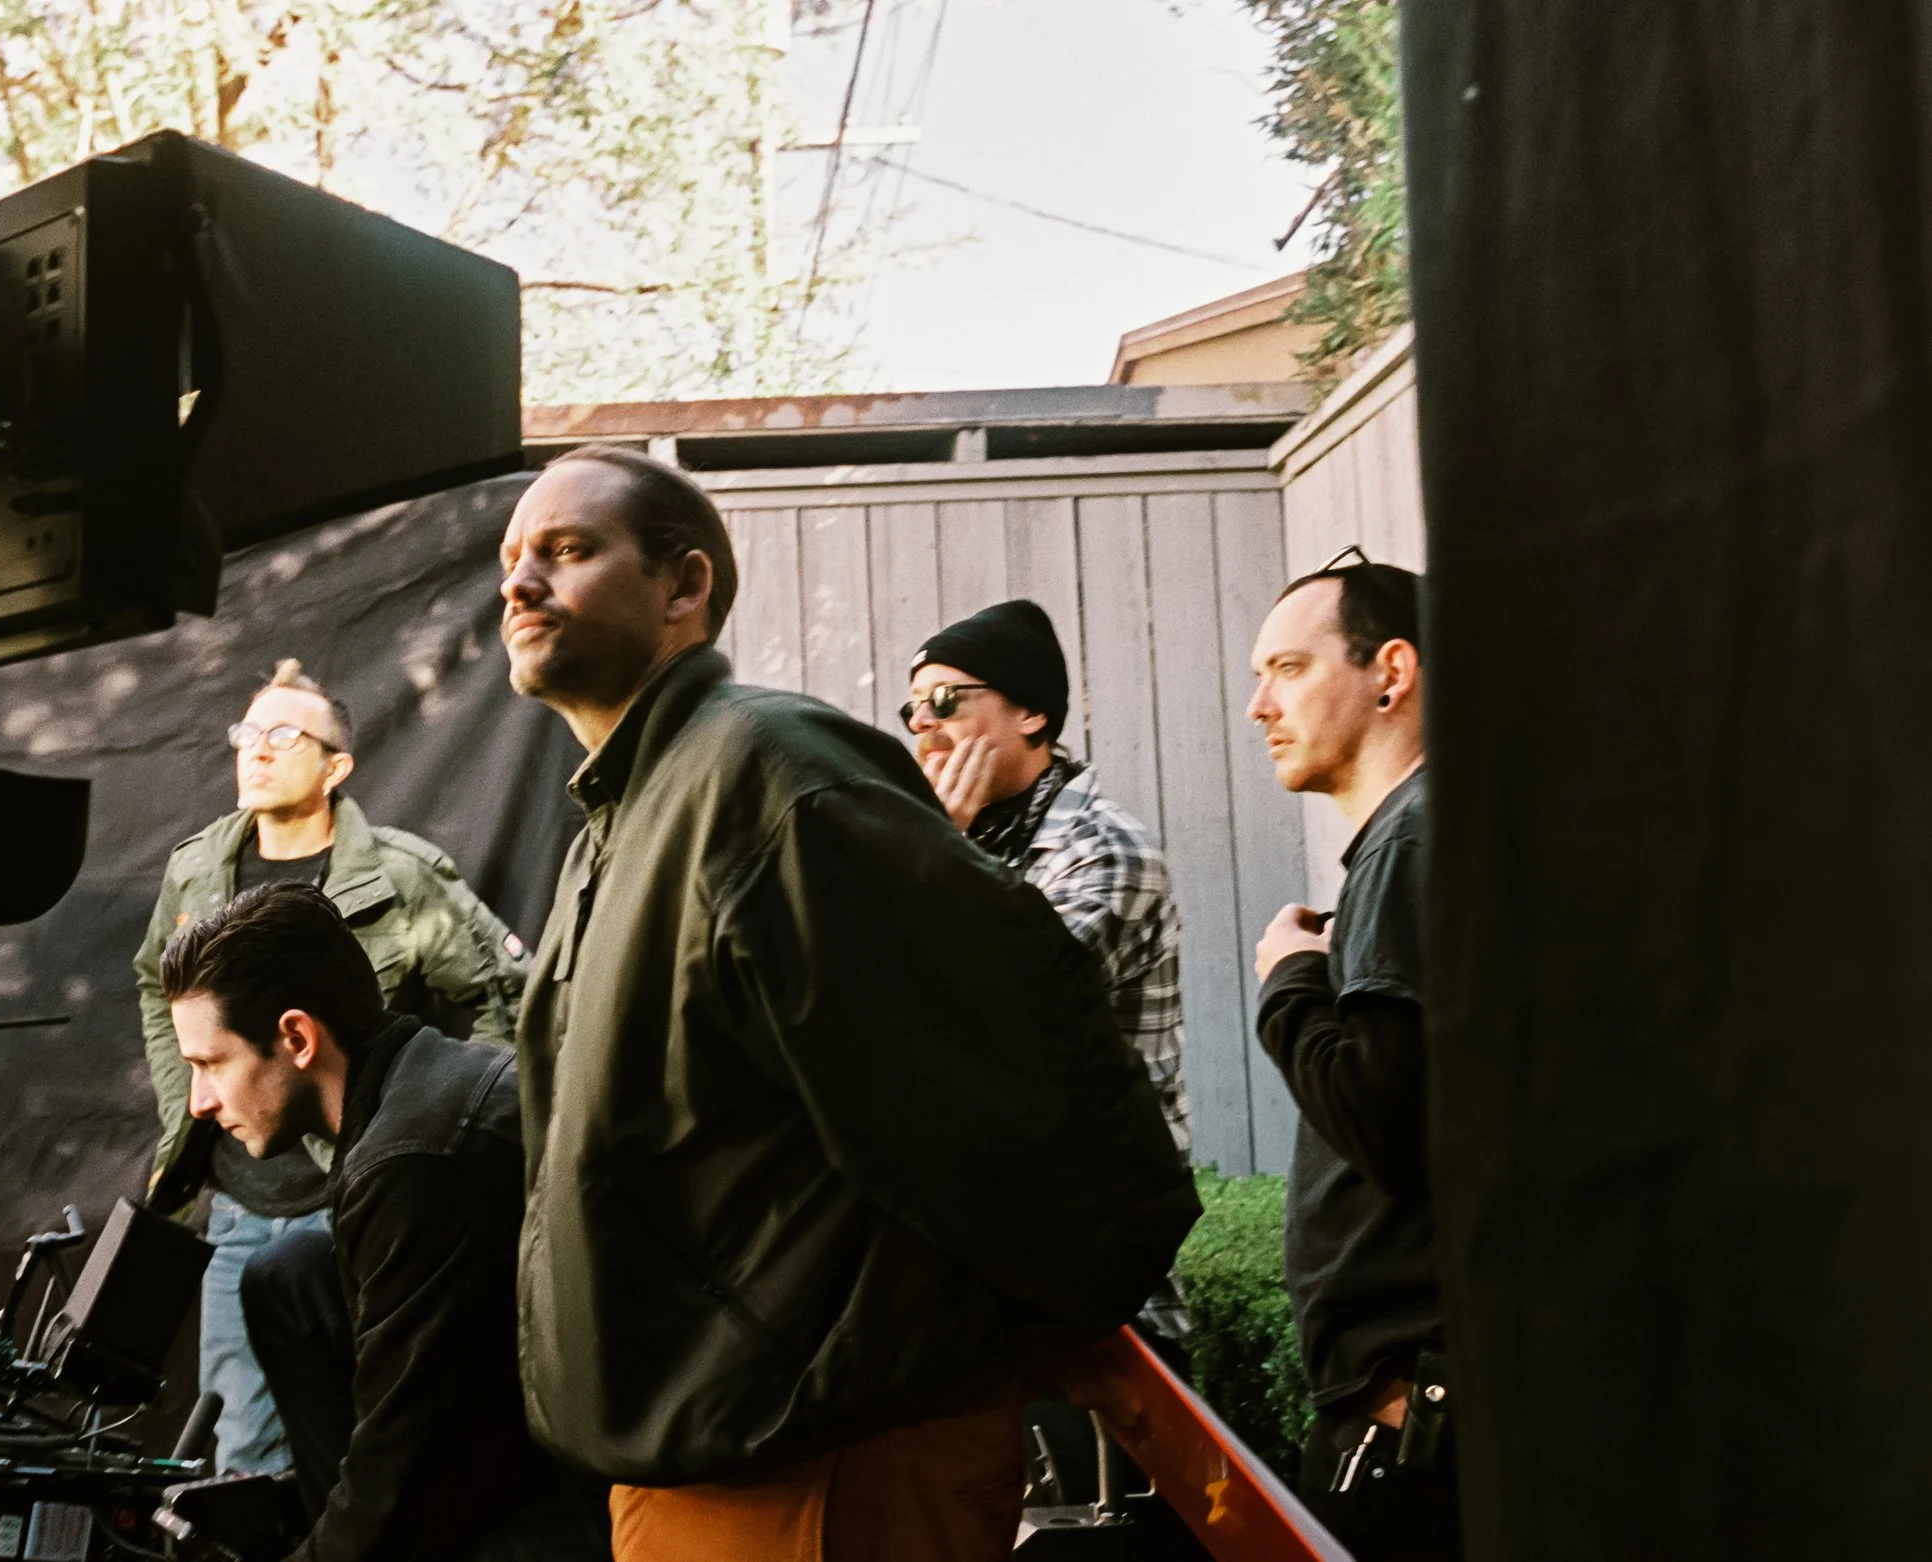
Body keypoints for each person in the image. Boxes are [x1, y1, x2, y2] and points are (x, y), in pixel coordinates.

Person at [501, 444, 1198, 1562]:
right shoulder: (623, 818)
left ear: (685, 587)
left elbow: (1016, 1099)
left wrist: (1000, 1339)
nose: (519, 584)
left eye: (568, 550)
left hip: (824, 1460)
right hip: (694, 1457)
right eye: (511, 561)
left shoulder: (770, 773)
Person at [133, 659, 528, 1475]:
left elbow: (507, 996)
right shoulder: (197, 870)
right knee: (242, 1450)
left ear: (335, 766)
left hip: (356, 1201)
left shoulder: (402, 874)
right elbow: (155, 983)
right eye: (247, 732)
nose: (258, 750)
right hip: (239, 1205)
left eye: (284, 734)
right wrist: (191, 1102)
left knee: (376, 1434)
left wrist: (462, 1126)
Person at [163, 884, 607, 1562]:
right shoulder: (419, 1084)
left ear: (295, 1037)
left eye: (210, 1064)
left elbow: (399, 1458)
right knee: (288, 1277)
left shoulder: (413, 1162)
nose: (198, 1101)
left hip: (566, 1494)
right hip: (518, 1409)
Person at [1245, 551, 1458, 1560]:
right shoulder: (1426, 834)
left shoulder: (1406, 839)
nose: (1259, 705)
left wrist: (1286, 978)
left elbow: (1383, 1116)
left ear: (1391, 671)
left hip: (1406, 1417)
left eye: (1287, 667)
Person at [906, 598, 1190, 1156]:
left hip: (1095, 1186)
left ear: (1031, 712)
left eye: (944, 700)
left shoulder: (1104, 850)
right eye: (912, 707)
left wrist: (933, 849)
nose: (921, 723)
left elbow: (1003, 1014)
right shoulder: (960, 833)